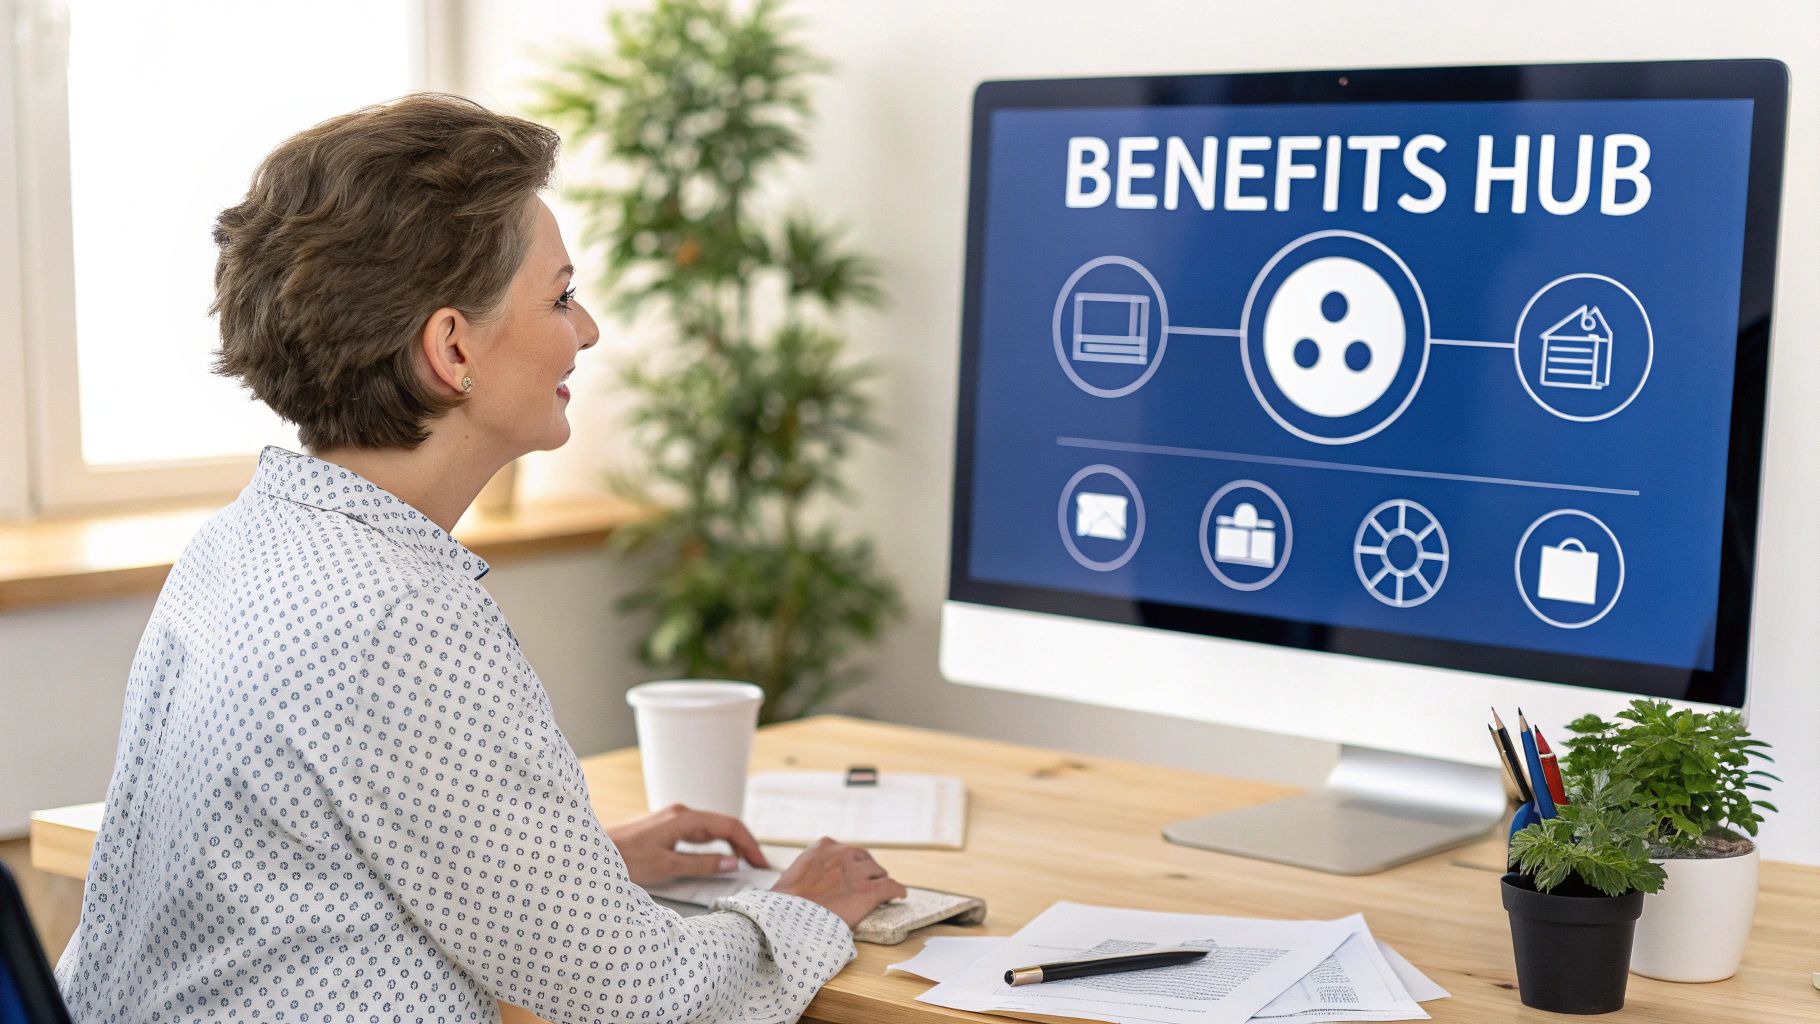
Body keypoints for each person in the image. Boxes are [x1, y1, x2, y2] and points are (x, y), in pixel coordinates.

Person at [54, 93, 904, 1024]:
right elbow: (642, 1000)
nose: (586, 331)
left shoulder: (245, 541)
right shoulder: (398, 614)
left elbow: (294, 887)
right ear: (452, 347)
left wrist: (571, 870)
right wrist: (798, 913)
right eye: (562, 296)